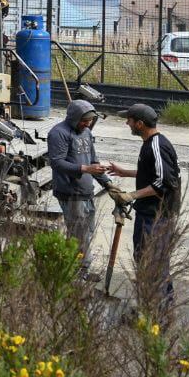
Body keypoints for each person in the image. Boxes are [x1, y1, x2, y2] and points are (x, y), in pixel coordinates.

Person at [108, 104, 181, 306]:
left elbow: (164, 183)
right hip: (148, 214)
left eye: (129, 120)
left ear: (139, 124)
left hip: (156, 216)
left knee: (153, 263)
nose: (127, 123)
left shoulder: (157, 145)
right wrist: (125, 172)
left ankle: (158, 311)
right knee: (147, 260)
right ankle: (155, 307)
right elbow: (153, 174)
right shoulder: (149, 143)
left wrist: (131, 195)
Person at [47, 100, 127, 275]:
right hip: (70, 193)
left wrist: (108, 184)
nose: (88, 124)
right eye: (84, 120)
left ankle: (74, 267)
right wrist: (85, 169)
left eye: (90, 120)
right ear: (74, 118)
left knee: (86, 232)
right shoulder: (58, 133)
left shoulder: (86, 133)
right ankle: (79, 271)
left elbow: (93, 163)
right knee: (79, 234)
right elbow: (56, 162)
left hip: (86, 192)